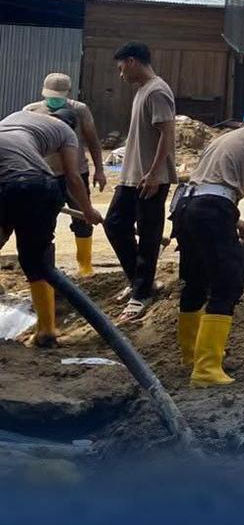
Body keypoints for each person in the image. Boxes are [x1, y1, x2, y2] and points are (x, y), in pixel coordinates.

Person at [173, 104, 244, 387]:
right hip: (213, 208)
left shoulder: (221, 139)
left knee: (195, 283)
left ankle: (191, 358)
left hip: (187, 206)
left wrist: (235, 221)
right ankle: (207, 370)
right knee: (228, 286)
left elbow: (209, 185)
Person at [0, 110, 102, 346]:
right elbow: (73, 177)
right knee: (37, 260)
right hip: (37, 185)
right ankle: (47, 330)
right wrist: (87, 210)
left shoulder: (17, 118)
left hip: (6, 182)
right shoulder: (66, 132)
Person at [103, 42, 177, 323]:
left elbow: (166, 136)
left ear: (132, 61)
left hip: (150, 177)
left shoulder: (157, 91)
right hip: (132, 176)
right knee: (115, 224)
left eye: (121, 68)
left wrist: (156, 173)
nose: (121, 75)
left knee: (148, 234)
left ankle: (142, 292)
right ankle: (139, 281)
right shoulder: (142, 92)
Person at [23, 72, 107, 277]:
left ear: (67, 93)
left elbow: (93, 141)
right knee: (43, 222)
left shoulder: (79, 110)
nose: (54, 100)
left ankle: (84, 266)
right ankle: (45, 269)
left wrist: (100, 170)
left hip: (76, 172)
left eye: (58, 96)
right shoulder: (31, 111)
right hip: (45, 175)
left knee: (83, 218)